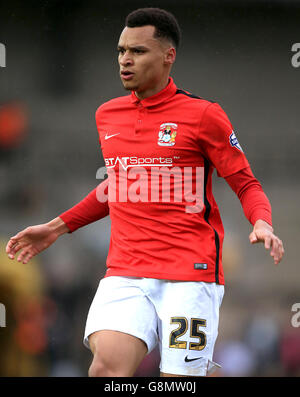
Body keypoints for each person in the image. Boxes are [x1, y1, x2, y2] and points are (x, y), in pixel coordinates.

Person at [5, 8, 284, 377]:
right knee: (105, 369)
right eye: (121, 50)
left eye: (137, 51)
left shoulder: (203, 115)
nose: (125, 60)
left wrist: (261, 222)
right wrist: (56, 227)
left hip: (191, 274)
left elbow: (246, 183)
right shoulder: (107, 115)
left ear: (168, 56)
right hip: (127, 271)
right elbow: (119, 183)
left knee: (179, 381)